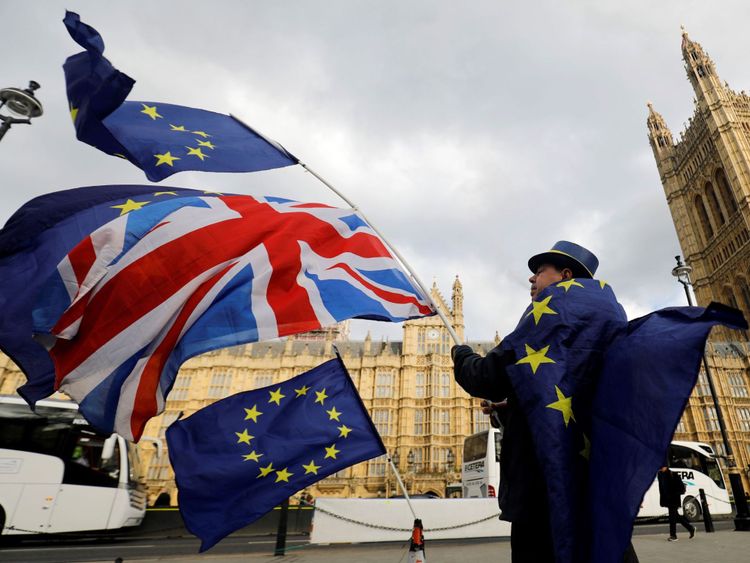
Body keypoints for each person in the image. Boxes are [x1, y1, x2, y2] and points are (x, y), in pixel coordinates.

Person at [452, 241, 638, 563]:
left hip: (544, 487)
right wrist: (514, 408)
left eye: (539, 271)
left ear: (565, 276)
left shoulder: (551, 313)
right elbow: (571, 394)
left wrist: (461, 355)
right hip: (595, 482)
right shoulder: (609, 319)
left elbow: (486, 378)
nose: (531, 279)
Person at [657, 466, 695, 541]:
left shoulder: (673, 474)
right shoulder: (660, 474)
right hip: (667, 500)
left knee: (672, 518)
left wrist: (673, 494)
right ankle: (691, 528)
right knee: (676, 517)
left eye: (662, 467)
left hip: (674, 500)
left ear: (666, 467)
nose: (661, 468)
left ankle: (673, 536)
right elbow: (661, 489)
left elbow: (681, 489)